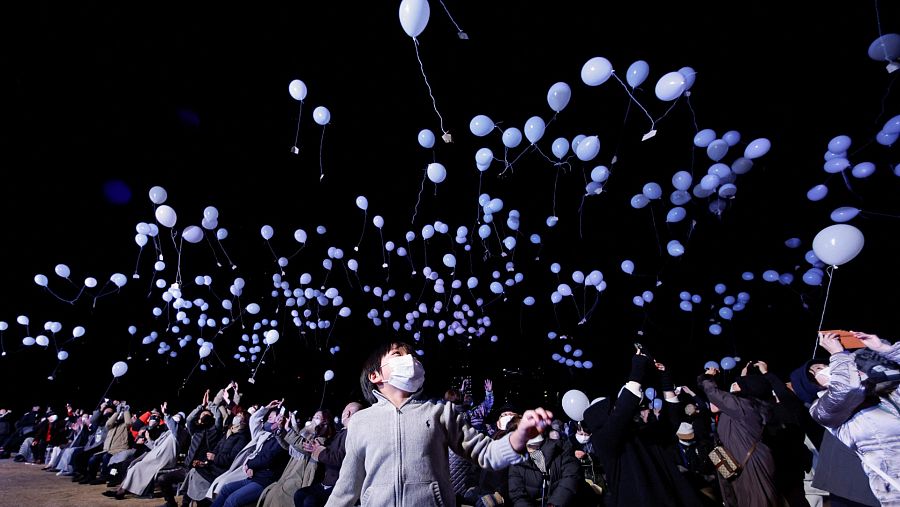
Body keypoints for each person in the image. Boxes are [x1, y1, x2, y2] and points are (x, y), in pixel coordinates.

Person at [324, 341, 553, 507]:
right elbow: (347, 486)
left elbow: (485, 452)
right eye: (398, 354)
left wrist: (517, 438)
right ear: (375, 376)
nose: (410, 359)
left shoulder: (441, 412)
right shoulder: (361, 422)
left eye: (412, 355)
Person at [582, 352, 703, 507]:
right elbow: (622, 412)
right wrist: (638, 368)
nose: (617, 409)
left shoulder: (641, 433)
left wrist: (665, 380)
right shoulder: (603, 441)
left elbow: (671, 421)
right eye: (611, 410)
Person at [810, 331, 900, 506]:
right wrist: (837, 354)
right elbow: (846, 388)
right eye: (817, 371)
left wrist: (883, 348)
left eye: (825, 364)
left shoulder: (885, 395)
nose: (826, 367)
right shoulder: (822, 409)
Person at [699, 365, 781, 507]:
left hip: (750, 465)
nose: (733, 385)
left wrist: (708, 378)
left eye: (737, 384)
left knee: (756, 501)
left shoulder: (742, 407)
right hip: (746, 461)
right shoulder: (747, 406)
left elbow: (713, 393)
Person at [293, 402, 364, 507]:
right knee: (300, 494)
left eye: (317, 417)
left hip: (337, 485)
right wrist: (316, 447)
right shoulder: (341, 433)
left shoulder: (351, 434)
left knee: (310, 501)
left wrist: (319, 450)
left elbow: (340, 458)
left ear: (348, 413)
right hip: (327, 482)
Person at [507, 430, 583, 506]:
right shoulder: (516, 462)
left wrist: (554, 504)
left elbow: (571, 477)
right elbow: (518, 495)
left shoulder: (561, 448)